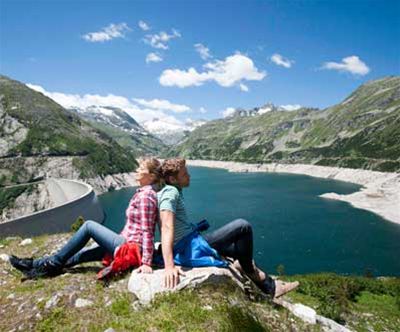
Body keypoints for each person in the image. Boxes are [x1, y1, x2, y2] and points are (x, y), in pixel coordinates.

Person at [157, 158, 299, 298]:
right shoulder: (170, 193)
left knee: (241, 252)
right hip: (188, 246)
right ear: (173, 179)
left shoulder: (172, 190)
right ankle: (258, 278)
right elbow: (167, 227)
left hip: (190, 240)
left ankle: (269, 285)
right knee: (243, 226)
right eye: (184, 174)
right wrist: (169, 265)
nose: (189, 176)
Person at [9, 157, 162, 279]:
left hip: (130, 248)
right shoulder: (143, 193)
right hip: (125, 242)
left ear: (151, 176)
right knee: (78, 257)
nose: (137, 170)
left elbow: (147, 231)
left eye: (141, 168)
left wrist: (146, 262)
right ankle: (34, 264)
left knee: (89, 225)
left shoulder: (147, 196)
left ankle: (51, 264)